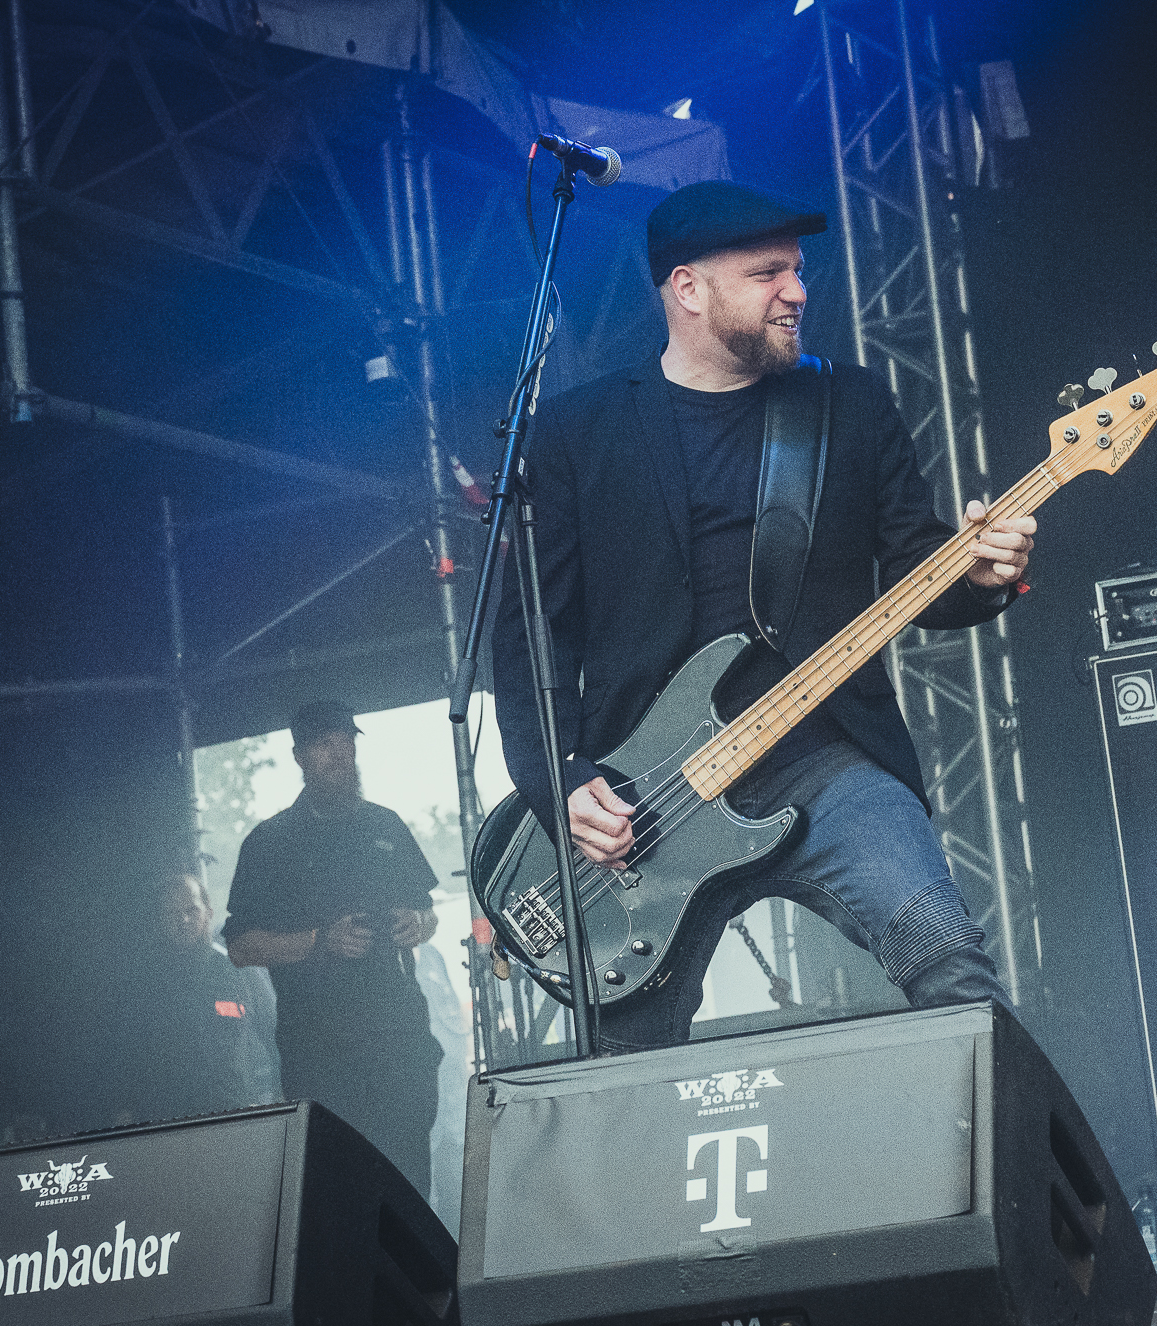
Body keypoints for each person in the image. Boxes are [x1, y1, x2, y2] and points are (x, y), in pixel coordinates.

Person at [492, 179, 1037, 1054]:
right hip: (647, 804)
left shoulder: (849, 405)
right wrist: (557, 780)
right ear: (688, 288)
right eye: (767, 273)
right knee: (623, 1072)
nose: (797, 291)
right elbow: (530, 635)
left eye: (797, 269)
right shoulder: (573, 433)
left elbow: (918, 567)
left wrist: (982, 575)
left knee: (953, 969)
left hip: (824, 760)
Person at [224, 701, 442, 1193]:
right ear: (300, 755)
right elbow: (240, 946)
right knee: (340, 1191)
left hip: (399, 1043)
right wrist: (319, 942)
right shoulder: (270, 842)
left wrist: (418, 923)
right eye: (325, 744)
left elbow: (427, 911)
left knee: (411, 1187)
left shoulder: (385, 826)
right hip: (322, 1053)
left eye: (347, 742)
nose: (341, 754)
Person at [102, 871, 282, 1123]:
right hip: (164, 1121)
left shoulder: (240, 971)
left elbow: (275, 1036)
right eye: (173, 913)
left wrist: (280, 1100)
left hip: (233, 1117)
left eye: (191, 910)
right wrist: (123, 1110)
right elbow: (123, 1055)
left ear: (208, 912)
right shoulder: (140, 986)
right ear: (160, 920)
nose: (184, 919)